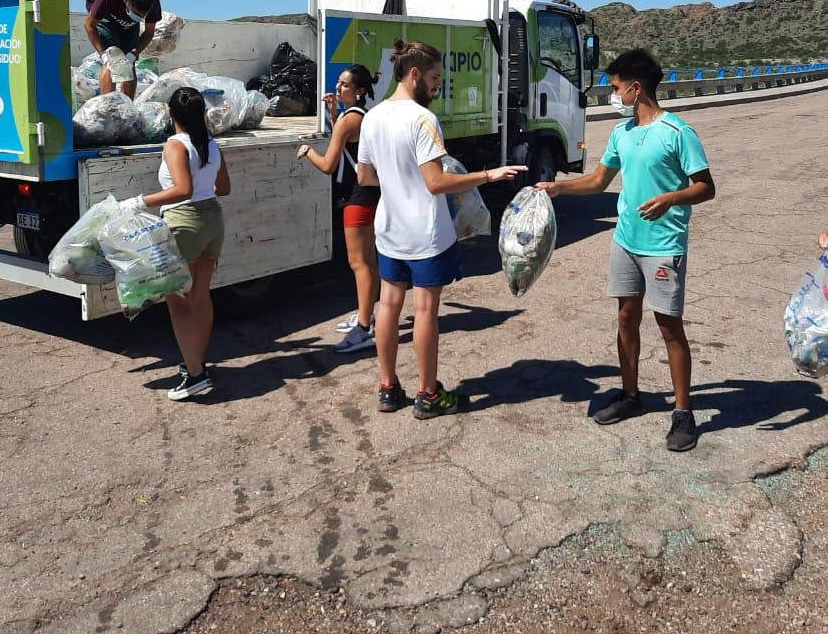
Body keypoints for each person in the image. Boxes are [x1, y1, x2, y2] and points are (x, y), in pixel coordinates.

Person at [536, 49, 715, 452]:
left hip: (663, 244)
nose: (612, 94)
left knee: (670, 327)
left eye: (616, 88)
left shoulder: (677, 132)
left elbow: (706, 186)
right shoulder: (623, 132)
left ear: (637, 87)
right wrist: (558, 187)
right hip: (626, 241)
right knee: (625, 318)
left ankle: (683, 413)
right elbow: (599, 180)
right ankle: (631, 395)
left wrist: (672, 198)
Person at [356, 39, 527, 419]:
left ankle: (387, 387)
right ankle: (428, 393)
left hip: (389, 227)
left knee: (388, 305)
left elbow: (365, 176)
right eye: (434, 78)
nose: (437, 85)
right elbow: (435, 183)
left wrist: (397, 179)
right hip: (425, 232)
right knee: (426, 309)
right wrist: (488, 175)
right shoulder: (422, 119)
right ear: (413, 73)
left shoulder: (373, 116)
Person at [127, 87, 231, 401]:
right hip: (212, 219)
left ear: (171, 115)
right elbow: (223, 187)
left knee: (178, 301)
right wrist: (201, 186)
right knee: (199, 297)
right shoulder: (212, 144)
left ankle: (196, 373)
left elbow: (182, 190)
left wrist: (139, 201)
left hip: (183, 222)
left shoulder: (175, 144)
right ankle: (195, 364)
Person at [297, 65, 381, 354]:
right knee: (367, 263)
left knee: (360, 264)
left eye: (344, 85)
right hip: (370, 193)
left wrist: (308, 151)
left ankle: (363, 328)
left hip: (358, 196)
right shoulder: (361, 115)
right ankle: (364, 316)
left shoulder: (350, 119)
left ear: (358, 91)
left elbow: (328, 165)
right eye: (339, 82)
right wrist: (334, 114)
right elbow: (348, 142)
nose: (338, 87)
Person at [84, 0, 163, 98]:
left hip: (127, 23)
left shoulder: (153, 2)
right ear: (126, 0)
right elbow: (89, 25)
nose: (139, 18)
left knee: (128, 62)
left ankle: (128, 107)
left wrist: (135, 53)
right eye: (136, 14)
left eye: (142, 16)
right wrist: (103, 54)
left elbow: (149, 33)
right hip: (106, 16)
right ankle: (109, 106)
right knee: (113, 58)